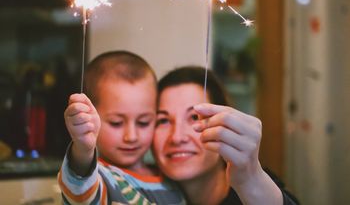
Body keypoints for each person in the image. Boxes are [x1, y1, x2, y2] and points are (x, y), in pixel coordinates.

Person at [153, 66, 299, 205]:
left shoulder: (254, 184)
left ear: (225, 124)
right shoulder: (140, 190)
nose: (177, 138)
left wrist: (250, 180)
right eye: (163, 120)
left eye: (194, 117)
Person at [58, 51, 185, 204]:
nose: (131, 136)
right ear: (92, 117)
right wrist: (83, 148)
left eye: (143, 122)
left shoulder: (172, 178)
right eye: (116, 123)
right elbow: (79, 181)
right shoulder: (101, 177)